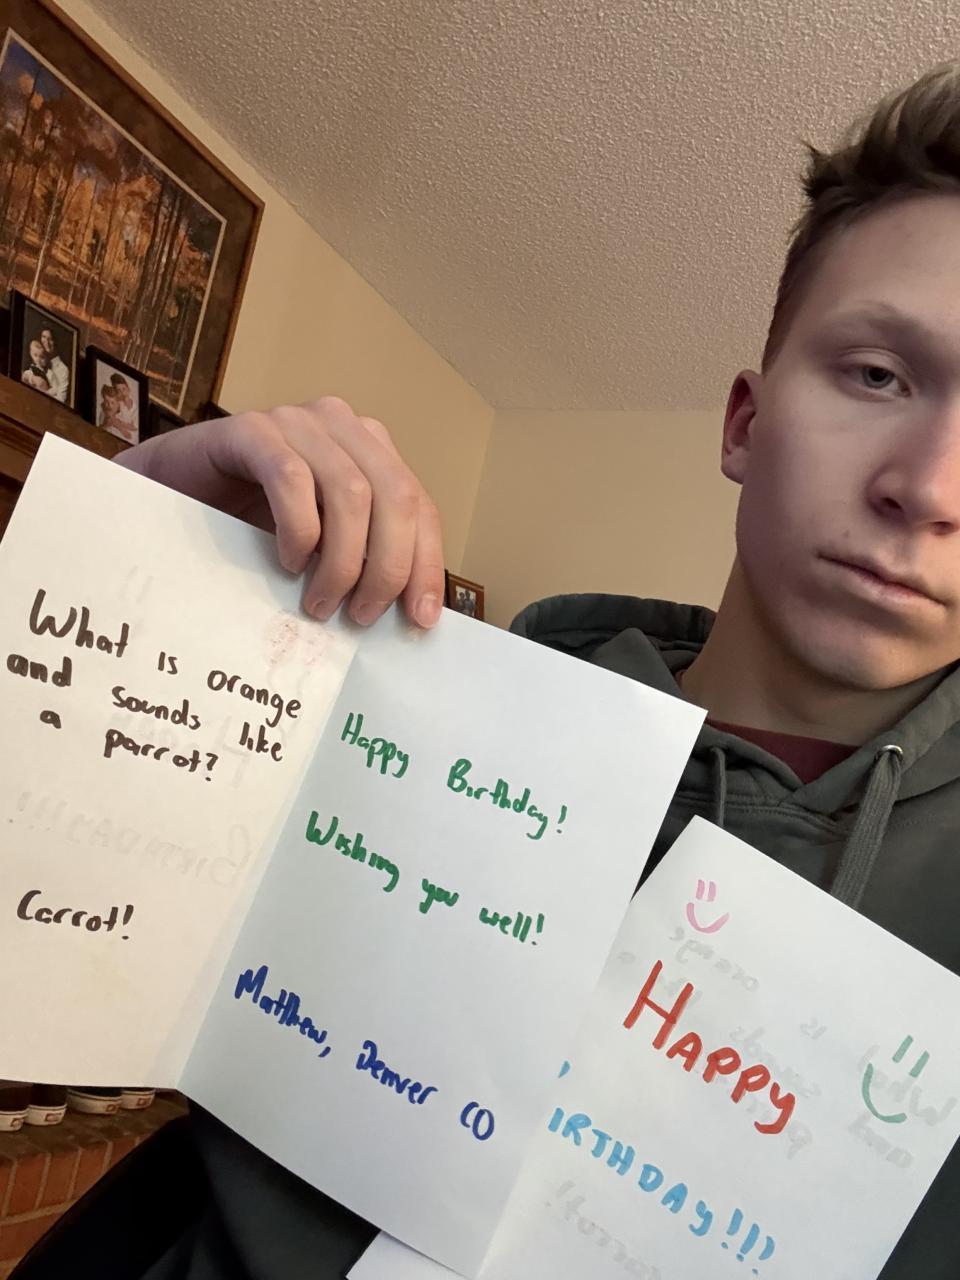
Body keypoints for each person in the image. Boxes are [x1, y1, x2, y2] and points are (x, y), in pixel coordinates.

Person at [11, 62, 960, 1280]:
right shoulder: (383, 706)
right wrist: (123, 576)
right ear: (744, 421)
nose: (928, 487)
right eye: (877, 375)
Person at [39, 327, 69, 404]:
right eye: (44, 337)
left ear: (55, 342)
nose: (46, 342)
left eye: (50, 339)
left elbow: (61, 399)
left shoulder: (63, 369)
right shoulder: (36, 360)